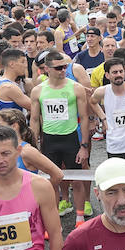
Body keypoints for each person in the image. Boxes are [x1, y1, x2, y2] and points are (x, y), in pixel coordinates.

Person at [30, 50, 89, 219]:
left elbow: (84, 118)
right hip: (49, 140)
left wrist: (84, 146)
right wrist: (33, 147)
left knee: (77, 180)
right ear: (47, 69)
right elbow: (34, 120)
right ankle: (53, 218)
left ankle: (79, 218)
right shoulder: (38, 90)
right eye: (58, 68)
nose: (63, 70)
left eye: (65, 67)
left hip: (71, 138)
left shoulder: (75, 88)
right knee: (51, 183)